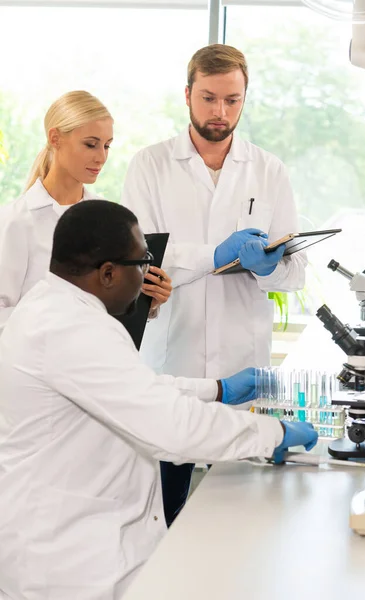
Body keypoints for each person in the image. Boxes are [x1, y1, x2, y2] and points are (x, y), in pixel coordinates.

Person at [0, 200, 317, 600]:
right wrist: (273, 431)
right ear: (109, 273)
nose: (150, 272)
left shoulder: (54, 305)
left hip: (80, 545)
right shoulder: (72, 329)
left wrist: (216, 389)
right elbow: (172, 428)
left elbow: (131, 390)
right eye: (144, 261)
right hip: (67, 566)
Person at [122, 44, 307, 524]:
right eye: (208, 98)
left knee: (240, 517)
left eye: (231, 100)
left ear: (245, 99)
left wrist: (269, 267)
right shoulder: (151, 165)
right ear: (187, 95)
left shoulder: (269, 171)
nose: (219, 112)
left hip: (242, 361)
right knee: (160, 512)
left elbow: (295, 271)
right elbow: (142, 262)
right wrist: (214, 255)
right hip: (172, 358)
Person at [0, 90, 171, 335]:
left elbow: (109, 310)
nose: (101, 157)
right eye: (90, 144)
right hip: (39, 367)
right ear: (55, 138)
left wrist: (146, 302)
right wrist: (55, 326)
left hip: (95, 363)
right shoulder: (17, 221)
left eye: (107, 146)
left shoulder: (109, 219)